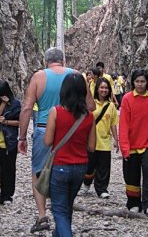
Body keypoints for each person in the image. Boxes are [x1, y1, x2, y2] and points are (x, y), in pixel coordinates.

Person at [18, 47, 94, 234]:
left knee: (39, 172)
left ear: (46, 61)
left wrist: (22, 136)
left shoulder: (38, 77)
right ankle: (62, 215)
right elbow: (91, 106)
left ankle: (42, 215)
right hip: (73, 128)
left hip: (44, 128)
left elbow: (27, 108)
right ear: (63, 60)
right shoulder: (76, 76)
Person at [44, 73, 95, 237]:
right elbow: (92, 147)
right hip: (80, 167)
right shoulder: (89, 116)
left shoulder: (55, 112)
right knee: (66, 206)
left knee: (58, 210)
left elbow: (47, 141)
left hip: (60, 166)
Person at [119, 68, 148, 216]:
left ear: (147, 83)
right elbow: (124, 124)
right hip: (131, 145)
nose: (140, 84)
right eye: (137, 81)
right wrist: (124, 147)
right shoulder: (127, 99)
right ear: (133, 82)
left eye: (142, 81)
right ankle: (133, 202)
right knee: (132, 175)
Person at [81, 77, 118, 198]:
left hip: (105, 140)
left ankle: (102, 188)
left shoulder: (111, 106)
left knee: (104, 166)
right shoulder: (91, 104)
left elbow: (113, 123)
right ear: (97, 89)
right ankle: (86, 183)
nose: (104, 90)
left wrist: (116, 140)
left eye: (106, 88)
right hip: (91, 140)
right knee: (89, 165)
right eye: (102, 87)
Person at [0, 79, 21, 206]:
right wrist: (3, 104)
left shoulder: (16, 104)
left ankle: (7, 195)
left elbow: (20, 122)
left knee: (9, 167)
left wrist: (6, 122)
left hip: (10, 140)